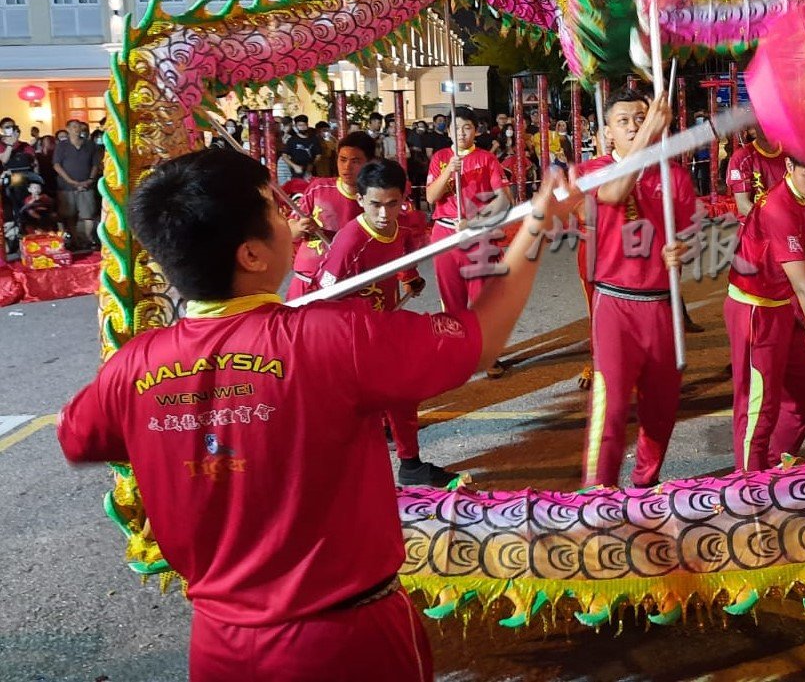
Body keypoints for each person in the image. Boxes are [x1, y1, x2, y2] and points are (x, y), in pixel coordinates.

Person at [57, 148, 577, 681]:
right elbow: (481, 341)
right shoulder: (331, 338)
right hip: (345, 644)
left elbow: (76, 435)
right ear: (251, 255)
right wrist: (535, 228)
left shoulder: (131, 369)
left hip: (219, 648)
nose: (291, 218)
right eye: (276, 210)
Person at [579, 88, 697, 488]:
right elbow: (613, 194)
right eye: (624, 121)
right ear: (608, 132)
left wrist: (683, 250)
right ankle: (598, 494)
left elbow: (691, 237)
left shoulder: (675, 177)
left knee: (661, 408)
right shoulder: (593, 170)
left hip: (662, 306)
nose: (633, 126)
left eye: (640, 117)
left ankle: (646, 484)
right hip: (615, 305)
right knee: (610, 410)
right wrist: (649, 134)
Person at [314, 160, 442, 488]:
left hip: (381, 326)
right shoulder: (349, 243)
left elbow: (399, 261)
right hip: (350, 339)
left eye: (392, 204)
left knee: (402, 393)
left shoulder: (398, 229)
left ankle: (410, 463)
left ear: (403, 199)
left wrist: (410, 278)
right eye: (375, 205)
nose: (384, 214)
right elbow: (322, 299)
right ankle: (346, 478)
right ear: (360, 200)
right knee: (356, 413)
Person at [725, 157, 805, 471]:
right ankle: (749, 487)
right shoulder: (778, 208)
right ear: (789, 165)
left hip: (780, 304)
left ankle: (773, 466)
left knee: (803, 392)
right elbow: (804, 290)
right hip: (755, 310)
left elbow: (796, 255)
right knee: (759, 408)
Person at [425, 106, 511, 375]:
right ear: (447, 130)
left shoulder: (487, 159)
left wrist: (474, 222)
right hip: (445, 234)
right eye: (456, 127)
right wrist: (449, 171)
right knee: (451, 298)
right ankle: (458, 353)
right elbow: (430, 197)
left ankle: (487, 354)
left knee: (481, 298)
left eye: (467, 127)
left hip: (477, 234)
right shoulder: (441, 158)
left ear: (476, 130)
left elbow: (505, 200)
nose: (461, 132)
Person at [285, 132, 378, 301]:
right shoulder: (318, 188)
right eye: (342, 159)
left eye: (355, 161)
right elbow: (290, 232)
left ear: (370, 163)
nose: (346, 167)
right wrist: (300, 227)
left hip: (352, 284)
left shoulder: (377, 200)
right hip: (308, 280)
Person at [52, 119, 101, 251]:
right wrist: (71, 181)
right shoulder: (62, 146)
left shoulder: (90, 145)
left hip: (87, 184)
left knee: (88, 214)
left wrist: (90, 179)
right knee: (69, 215)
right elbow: (57, 165)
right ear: (67, 129)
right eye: (74, 127)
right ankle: (75, 240)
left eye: (79, 127)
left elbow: (95, 164)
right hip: (66, 186)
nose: (77, 129)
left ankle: (89, 239)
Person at [726, 125, 787, 217]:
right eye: (760, 122)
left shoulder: (792, 152)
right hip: (756, 225)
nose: (765, 127)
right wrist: (776, 222)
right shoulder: (741, 157)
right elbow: (743, 205)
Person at [283, 115, 320, 180]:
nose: (302, 127)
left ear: (307, 125)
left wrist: (312, 164)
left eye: (304, 125)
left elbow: (318, 155)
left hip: (311, 172)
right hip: (297, 173)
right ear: (296, 126)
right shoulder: (292, 140)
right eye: (300, 125)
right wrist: (294, 166)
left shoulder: (314, 139)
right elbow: (284, 156)